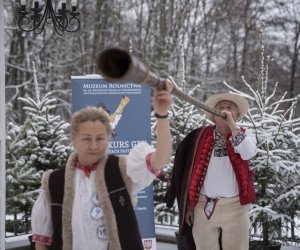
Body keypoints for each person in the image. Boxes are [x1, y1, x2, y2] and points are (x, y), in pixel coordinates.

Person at [31, 79, 173, 250]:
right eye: (86, 139)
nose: (93, 145)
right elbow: (42, 241)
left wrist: (162, 114)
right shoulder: (54, 182)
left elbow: (161, 159)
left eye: (100, 138)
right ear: (73, 139)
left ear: (109, 138)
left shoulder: (121, 169)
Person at [164, 93, 257, 250]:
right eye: (220, 108)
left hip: (235, 207)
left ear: (237, 115)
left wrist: (233, 126)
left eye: (230, 108)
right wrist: (189, 205)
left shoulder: (246, 134)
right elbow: (188, 171)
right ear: (213, 116)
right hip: (203, 207)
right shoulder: (198, 136)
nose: (224, 111)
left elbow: (247, 153)